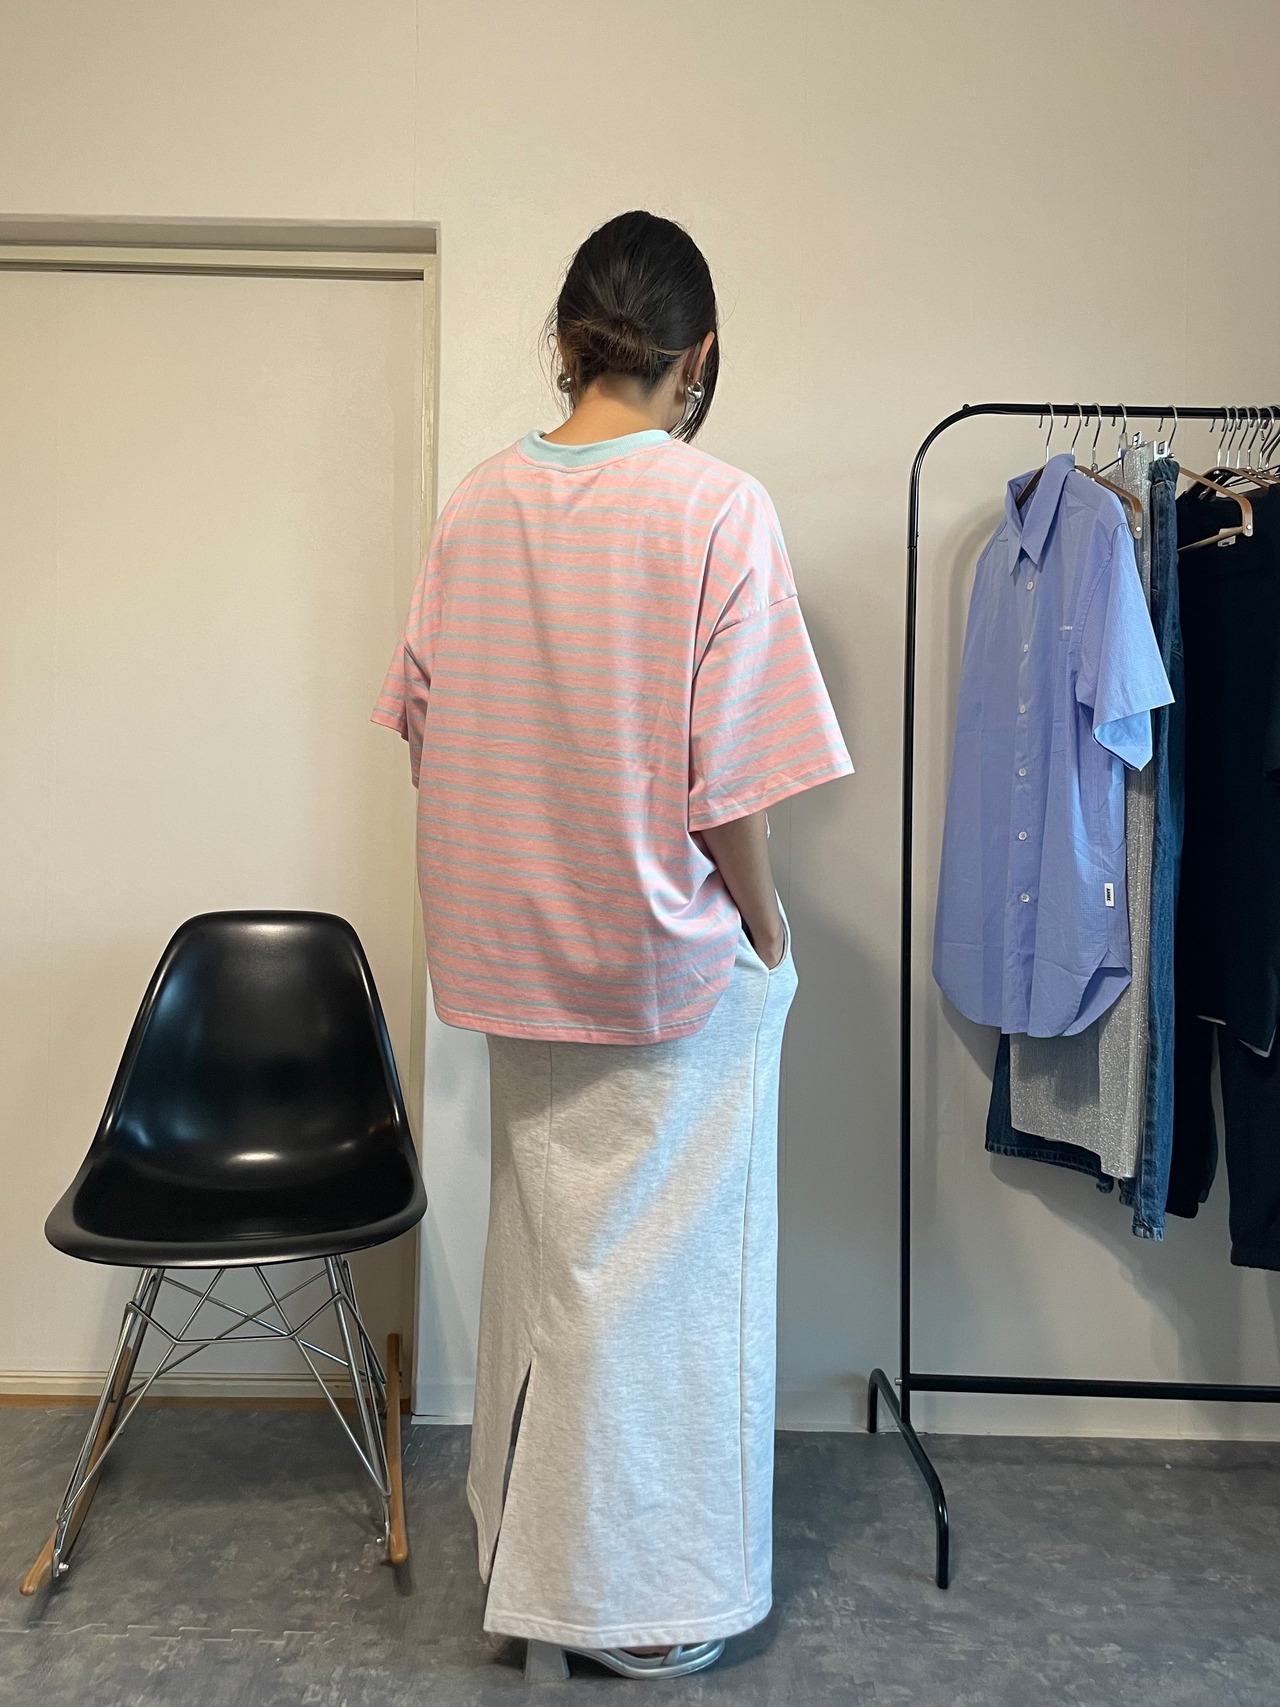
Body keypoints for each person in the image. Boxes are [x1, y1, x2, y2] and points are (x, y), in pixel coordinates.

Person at [371, 209, 854, 1681]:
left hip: (513, 969)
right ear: (697, 357)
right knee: (670, 1302)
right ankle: (642, 1606)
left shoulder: (474, 505)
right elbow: (732, 789)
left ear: (568, 340)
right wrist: (770, 931)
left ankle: (531, 1574)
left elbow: (428, 735)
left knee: (550, 1275)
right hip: (668, 975)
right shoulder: (717, 510)